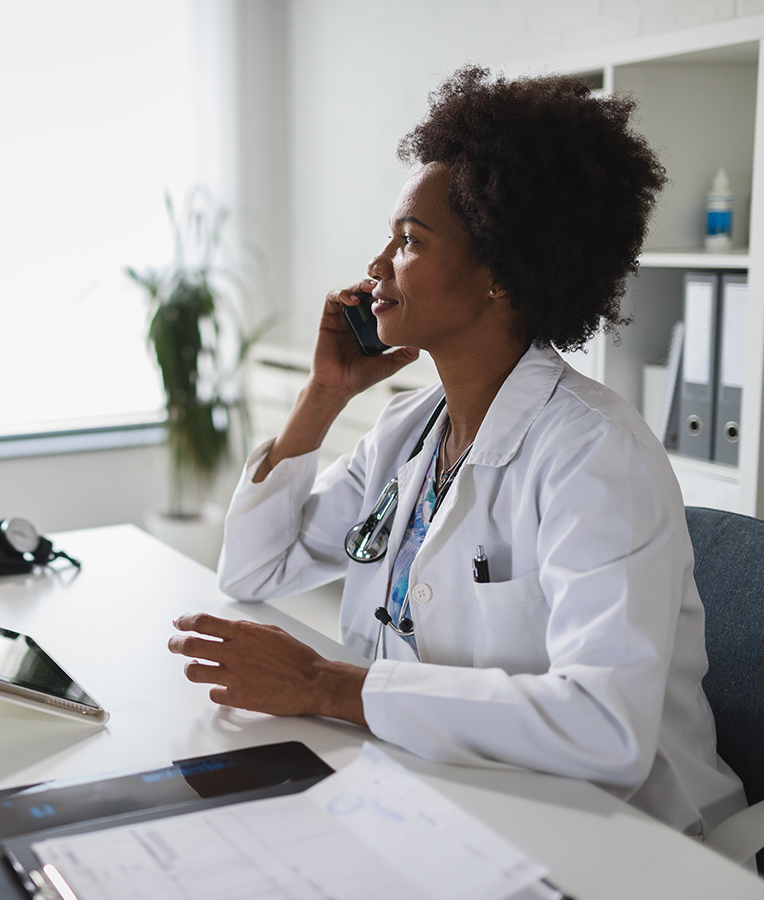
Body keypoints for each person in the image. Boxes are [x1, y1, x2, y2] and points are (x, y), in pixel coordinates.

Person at [167, 65, 747, 837]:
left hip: (625, 836)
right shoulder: (411, 429)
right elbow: (251, 568)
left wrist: (325, 685)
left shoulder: (595, 454)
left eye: (409, 241)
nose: (376, 266)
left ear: (500, 276)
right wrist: (325, 395)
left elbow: (605, 727)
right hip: (447, 793)